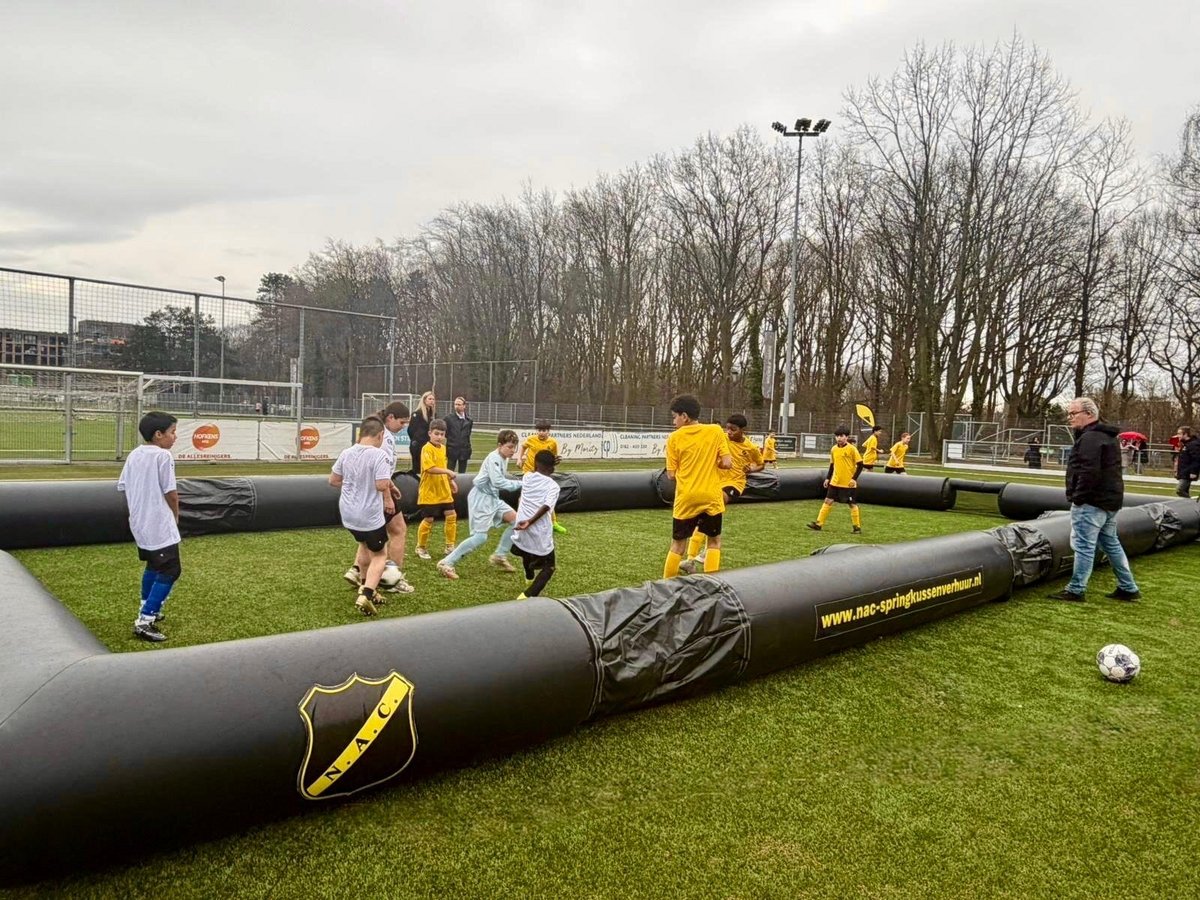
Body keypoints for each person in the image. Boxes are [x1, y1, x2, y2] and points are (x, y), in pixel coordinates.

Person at [1047, 397, 1140, 603]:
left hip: (1092, 502)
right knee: (1110, 543)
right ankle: (1128, 586)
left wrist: (1078, 497)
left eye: (1073, 413)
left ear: (1089, 414)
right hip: (1110, 500)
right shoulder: (1107, 437)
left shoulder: (1090, 439)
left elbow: (1088, 471)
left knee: (1084, 546)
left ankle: (1076, 589)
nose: (1069, 418)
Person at [118, 411, 182, 643]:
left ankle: (148, 607)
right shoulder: (163, 457)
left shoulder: (134, 454)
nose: (175, 437)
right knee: (171, 569)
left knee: (154, 565)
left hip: (139, 522)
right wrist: (175, 516)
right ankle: (145, 621)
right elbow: (171, 493)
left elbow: (124, 486)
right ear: (158, 435)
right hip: (158, 524)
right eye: (172, 432)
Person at [343, 403, 414, 594]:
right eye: (402, 422)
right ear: (390, 418)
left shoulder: (372, 436)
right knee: (398, 530)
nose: (403, 426)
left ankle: (357, 569)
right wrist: (387, 496)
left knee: (368, 536)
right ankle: (392, 579)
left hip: (362, 497)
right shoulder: (383, 437)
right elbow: (379, 472)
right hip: (376, 495)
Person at [680, 413, 763, 574]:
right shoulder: (721, 438)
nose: (729, 432)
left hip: (734, 484)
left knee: (712, 507)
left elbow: (761, 465)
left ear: (743, 430)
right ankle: (691, 559)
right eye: (727, 428)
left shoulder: (751, 448)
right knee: (703, 515)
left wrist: (751, 469)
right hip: (715, 482)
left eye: (733, 429)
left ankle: (705, 552)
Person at [436, 430, 524, 580]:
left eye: (514, 447)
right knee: (480, 537)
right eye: (509, 447)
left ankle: (499, 555)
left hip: (492, 498)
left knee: (517, 521)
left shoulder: (504, 458)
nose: (512, 451)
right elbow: (498, 482)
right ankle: (446, 563)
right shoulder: (494, 458)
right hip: (481, 498)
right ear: (499, 445)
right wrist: (522, 483)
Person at [329, 417, 395, 616]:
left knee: (365, 546)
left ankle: (366, 585)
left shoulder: (347, 452)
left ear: (361, 434)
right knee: (380, 554)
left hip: (348, 514)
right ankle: (366, 595)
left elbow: (333, 480)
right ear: (381, 435)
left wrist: (354, 484)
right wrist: (388, 490)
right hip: (368, 515)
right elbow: (381, 485)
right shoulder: (379, 455)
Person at [662, 394, 733, 578]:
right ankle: (713, 585)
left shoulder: (674, 438)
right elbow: (727, 463)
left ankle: (667, 585)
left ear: (684, 416)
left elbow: (670, 475)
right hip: (711, 496)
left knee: (677, 545)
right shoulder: (716, 431)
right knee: (714, 541)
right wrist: (711, 463)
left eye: (674, 417)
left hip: (686, 497)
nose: (673, 422)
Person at [512, 450, 562, 599]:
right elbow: (546, 506)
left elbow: (537, 471)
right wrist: (530, 522)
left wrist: (526, 521)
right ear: (552, 468)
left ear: (535, 464)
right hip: (538, 529)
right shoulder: (553, 486)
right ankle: (527, 595)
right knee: (550, 567)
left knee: (526, 550)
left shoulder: (527, 477)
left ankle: (528, 575)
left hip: (520, 525)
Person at [806, 424, 864, 534]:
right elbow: (832, 465)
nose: (839, 438)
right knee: (827, 501)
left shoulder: (852, 449)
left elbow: (860, 465)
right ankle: (818, 524)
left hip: (848, 484)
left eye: (842, 436)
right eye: (837, 436)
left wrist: (854, 479)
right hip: (835, 482)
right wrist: (828, 478)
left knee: (852, 504)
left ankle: (857, 527)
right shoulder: (833, 449)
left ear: (846, 437)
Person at [414, 418, 458, 560]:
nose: (439, 437)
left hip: (443, 489)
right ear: (429, 433)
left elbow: (442, 466)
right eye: (436, 434)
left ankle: (450, 545)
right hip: (430, 490)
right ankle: (421, 547)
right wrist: (448, 472)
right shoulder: (426, 448)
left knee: (451, 515)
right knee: (429, 519)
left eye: (442, 434)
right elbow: (430, 468)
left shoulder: (443, 448)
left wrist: (450, 481)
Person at [519, 420, 568, 534]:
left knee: (548, 497)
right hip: (529, 472)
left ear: (548, 431)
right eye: (539, 430)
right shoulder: (531, 439)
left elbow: (553, 457)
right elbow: (523, 447)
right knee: (525, 495)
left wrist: (555, 463)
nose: (541, 433)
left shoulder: (552, 443)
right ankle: (521, 518)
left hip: (543, 473)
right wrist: (519, 458)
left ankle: (553, 522)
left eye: (544, 430)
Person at [406, 391, 437, 476]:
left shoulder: (433, 415)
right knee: (418, 470)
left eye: (433, 399)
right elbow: (410, 430)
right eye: (430, 399)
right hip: (418, 446)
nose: (432, 401)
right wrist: (417, 440)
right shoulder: (417, 414)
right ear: (424, 400)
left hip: (429, 446)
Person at [445, 396, 474, 474]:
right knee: (449, 471)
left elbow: (468, 434)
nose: (457, 406)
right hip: (452, 449)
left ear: (464, 406)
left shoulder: (469, 420)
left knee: (462, 473)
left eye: (459, 404)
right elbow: (446, 433)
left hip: (464, 450)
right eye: (455, 404)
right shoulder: (448, 418)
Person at [1176, 426, 1200, 498]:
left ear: (1185, 434)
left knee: (1180, 490)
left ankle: (1191, 503)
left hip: (1188, 472)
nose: (1178, 436)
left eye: (1179, 434)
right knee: (1185, 491)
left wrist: (1193, 472)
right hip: (1184, 471)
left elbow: (1197, 459)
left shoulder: (1193, 445)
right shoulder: (1185, 444)